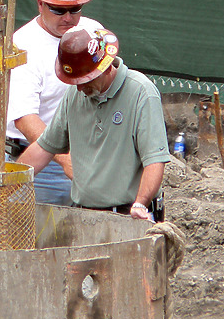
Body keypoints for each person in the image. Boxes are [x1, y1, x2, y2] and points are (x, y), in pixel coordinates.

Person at [17, 26, 170, 220]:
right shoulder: (74, 95)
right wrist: (6, 184)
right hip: (85, 215)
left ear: (105, 67)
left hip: (128, 216)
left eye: (85, 80)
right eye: (75, 81)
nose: (79, 87)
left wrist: (140, 203)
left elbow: (155, 160)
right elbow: (43, 148)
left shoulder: (141, 93)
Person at [6, 0, 102, 206]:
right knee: (40, 237)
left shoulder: (92, 33)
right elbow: (26, 119)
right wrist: (62, 156)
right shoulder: (23, 46)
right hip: (39, 162)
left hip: (89, 154)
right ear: (40, 3)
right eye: (59, 10)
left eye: (76, 9)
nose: (69, 18)